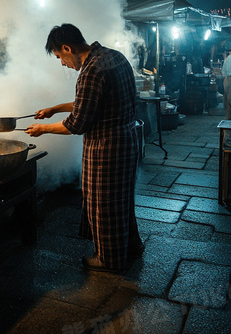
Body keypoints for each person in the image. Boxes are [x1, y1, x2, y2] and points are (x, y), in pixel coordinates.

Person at [25, 23, 143, 273]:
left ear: (68, 48)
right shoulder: (112, 56)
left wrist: (42, 129)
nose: (62, 64)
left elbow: (77, 124)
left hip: (106, 148)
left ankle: (108, 259)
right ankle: (131, 245)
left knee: (103, 203)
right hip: (127, 140)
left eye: (60, 57)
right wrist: (54, 108)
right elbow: (88, 101)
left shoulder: (91, 71)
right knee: (121, 199)